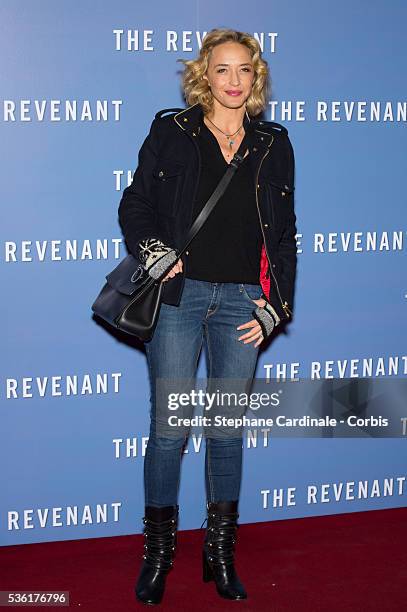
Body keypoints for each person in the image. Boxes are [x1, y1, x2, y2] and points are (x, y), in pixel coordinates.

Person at [118, 27, 297, 606]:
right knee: (170, 431)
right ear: (204, 75)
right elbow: (135, 202)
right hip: (179, 298)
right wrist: (154, 250)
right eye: (223, 69)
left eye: (245, 69)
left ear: (257, 76)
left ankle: (219, 553)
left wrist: (277, 307)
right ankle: (159, 554)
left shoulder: (273, 142)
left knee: (225, 432)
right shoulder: (172, 131)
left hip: (243, 303)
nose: (235, 80)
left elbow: (284, 237)